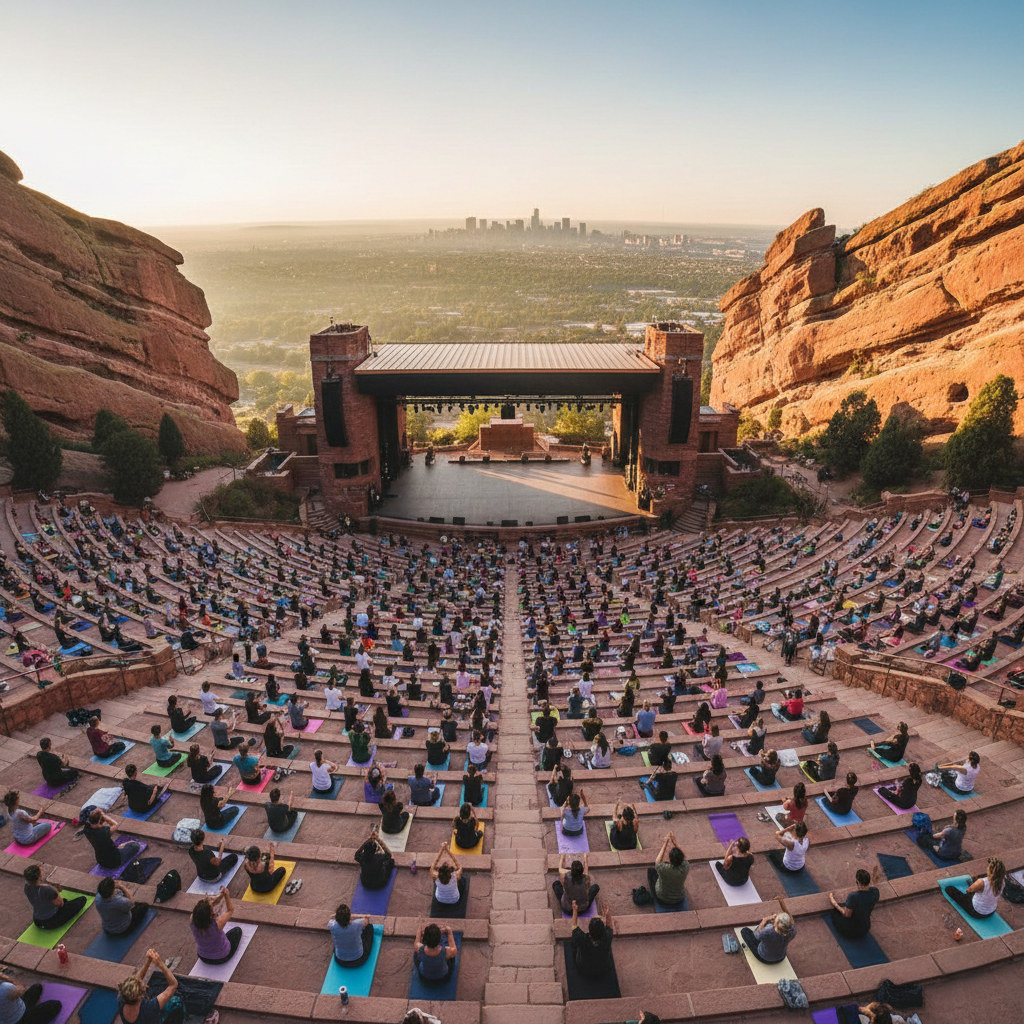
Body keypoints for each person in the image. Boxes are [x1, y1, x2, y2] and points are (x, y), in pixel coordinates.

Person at [116, 949, 184, 1024]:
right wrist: (160, 964)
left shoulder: (122, 999)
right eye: (143, 987)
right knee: (176, 1000)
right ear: (140, 996)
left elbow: (137, 980)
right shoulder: (149, 1008)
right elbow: (173, 985)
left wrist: (148, 961)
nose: (145, 985)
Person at [22, 863, 88, 930]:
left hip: (37, 920)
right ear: (39, 876)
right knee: (82, 900)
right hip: (51, 921)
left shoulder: (26, 887)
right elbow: (61, 904)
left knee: (64, 901)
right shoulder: (46, 889)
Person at [191, 889, 243, 965]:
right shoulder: (217, 924)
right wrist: (226, 896)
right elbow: (230, 910)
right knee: (237, 931)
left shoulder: (192, 919)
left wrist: (217, 899)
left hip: (203, 957)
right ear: (210, 915)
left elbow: (202, 910)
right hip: (222, 957)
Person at [828, 868, 880, 938]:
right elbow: (872, 890)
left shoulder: (853, 896)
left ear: (858, 882)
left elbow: (847, 915)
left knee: (836, 911)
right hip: (865, 928)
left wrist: (833, 902)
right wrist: (875, 879)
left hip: (851, 930)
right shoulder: (875, 892)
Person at [569, 901, 614, 978]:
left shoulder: (581, 938)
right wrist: (607, 914)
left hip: (583, 969)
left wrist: (575, 910)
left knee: (573, 941)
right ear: (603, 930)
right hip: (603, 969)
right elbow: (610, 926)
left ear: (589, 929)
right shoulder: (607, 937)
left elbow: (574, 925)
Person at [647, 832, 688, 907]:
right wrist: (675, 842)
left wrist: (665, 843)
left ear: (670, 859)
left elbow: (657, 861)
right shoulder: (686, 866)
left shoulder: (664, 868)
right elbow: (684, 857)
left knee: (651, 872)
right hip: (679, 897)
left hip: (662, 897)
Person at [329, 903, 375, 967]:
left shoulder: (331, 925)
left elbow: (331, 916)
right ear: (349, 916)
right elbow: (367, 919)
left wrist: (340, 915)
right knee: (369, 927)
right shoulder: (357, 924)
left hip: (340, 960)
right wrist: (359, 916)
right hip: (359, 959)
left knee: (338, 940)